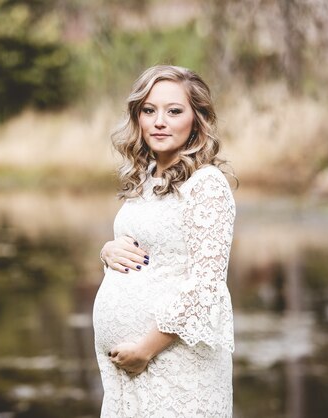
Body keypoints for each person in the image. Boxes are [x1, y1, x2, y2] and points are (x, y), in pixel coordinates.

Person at [92, 65, 236, 417]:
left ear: (196, 119)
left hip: (173, 366)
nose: (159, 121)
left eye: (174, 111)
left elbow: (206, 287)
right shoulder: (145, 179)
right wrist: (108, 251)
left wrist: (145, 349)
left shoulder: (206, 184)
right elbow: (150, 251)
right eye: (149, 110)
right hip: (131, 374)